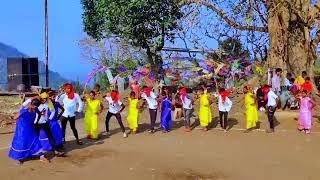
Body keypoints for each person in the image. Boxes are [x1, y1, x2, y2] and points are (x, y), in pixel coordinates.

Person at [9, 99, 49, 163]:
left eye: (37, 107)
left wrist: (36, 122)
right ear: (32, 104)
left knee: (36, 141)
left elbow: (39, 114)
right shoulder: (24, 111)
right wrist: (14, 117)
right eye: (35, 106)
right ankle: (19, 158)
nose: (36, 108)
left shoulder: (35, 109)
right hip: (22, 130)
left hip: (31, 128)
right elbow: (15, 117)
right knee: (21, 143)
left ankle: (42, 156)